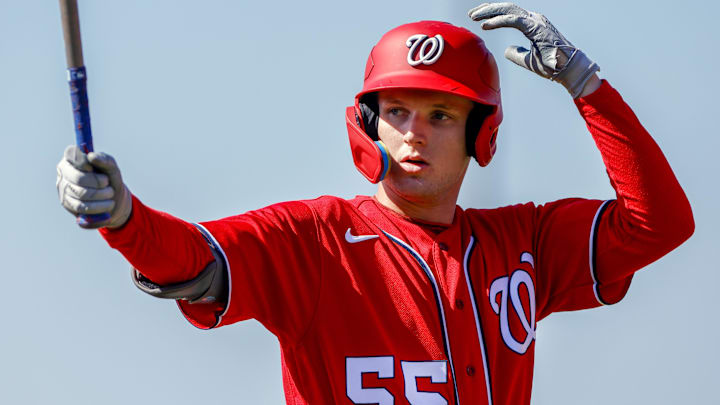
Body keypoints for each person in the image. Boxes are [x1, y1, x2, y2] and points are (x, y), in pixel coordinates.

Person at [55, 3, 694, 405]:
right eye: (396, 111)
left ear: (480, 134)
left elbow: (660, 223)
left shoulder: (523, 241)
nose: (414, 133)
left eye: (442, 114)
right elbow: (192, 262)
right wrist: (125, 220)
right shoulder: (315, 238)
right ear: (369, 125)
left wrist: (585, 85)